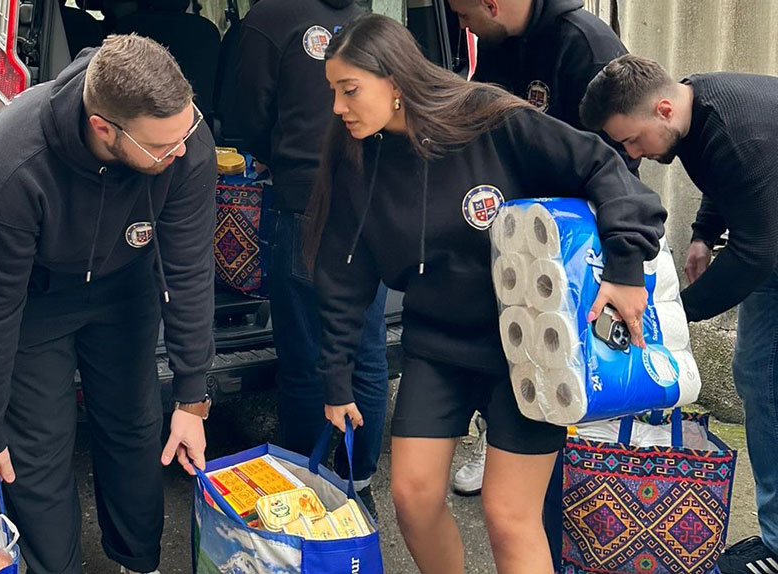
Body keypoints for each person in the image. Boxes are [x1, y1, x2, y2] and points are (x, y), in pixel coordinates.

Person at [310, 14, 665, 574]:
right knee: (412, 498)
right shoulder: (357, 158)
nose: (337, 107)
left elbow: (603, 166)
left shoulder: (489, 119)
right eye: (333, 90)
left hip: (530, 348)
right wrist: (336, 377)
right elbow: (342, 277)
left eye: (348, 90)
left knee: (508, 516)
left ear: (395, 81)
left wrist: (625, 266)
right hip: (438, 346)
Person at [0, 35, 216, 574]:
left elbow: (188, 270)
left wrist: (192, 398)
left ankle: (137, 561)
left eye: (184, 134)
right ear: (103, 129)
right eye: (162, 147)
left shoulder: (183, 138)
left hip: (125, 285)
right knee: (37, 451)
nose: (180, 151)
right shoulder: (14, 163)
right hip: (35, 295)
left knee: (134, 428)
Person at [580, 54, 778, 574]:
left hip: (769, 248)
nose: (632, 154)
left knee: (765, 380)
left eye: (632, 140)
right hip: (770, 240)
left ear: (663, 109)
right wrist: (704, 234)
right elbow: (730, 183)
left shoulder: (735, 133)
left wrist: (670, 315)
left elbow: (756, 254)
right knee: (757, 377)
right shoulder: (697, 109)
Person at [445, 0, 638, 500]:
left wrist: (620, 254)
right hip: (514, 227)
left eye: (464, 16)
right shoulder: (497, 43)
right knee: (514, 337)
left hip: (573, 232)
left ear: (491, 4)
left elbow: (620, 157)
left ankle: (584, 457)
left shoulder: (586, 45)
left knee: (577, 348)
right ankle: (498, 440)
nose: (462, 27)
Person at [236, 0, 389, 514]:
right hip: (371, 198)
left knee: (303, 357)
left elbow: (248, 116)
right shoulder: (369, 16)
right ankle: (359, 478)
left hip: (304, 198)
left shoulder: (269, 17)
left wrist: (279, 158)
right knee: (366, 347)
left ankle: (307, 480)